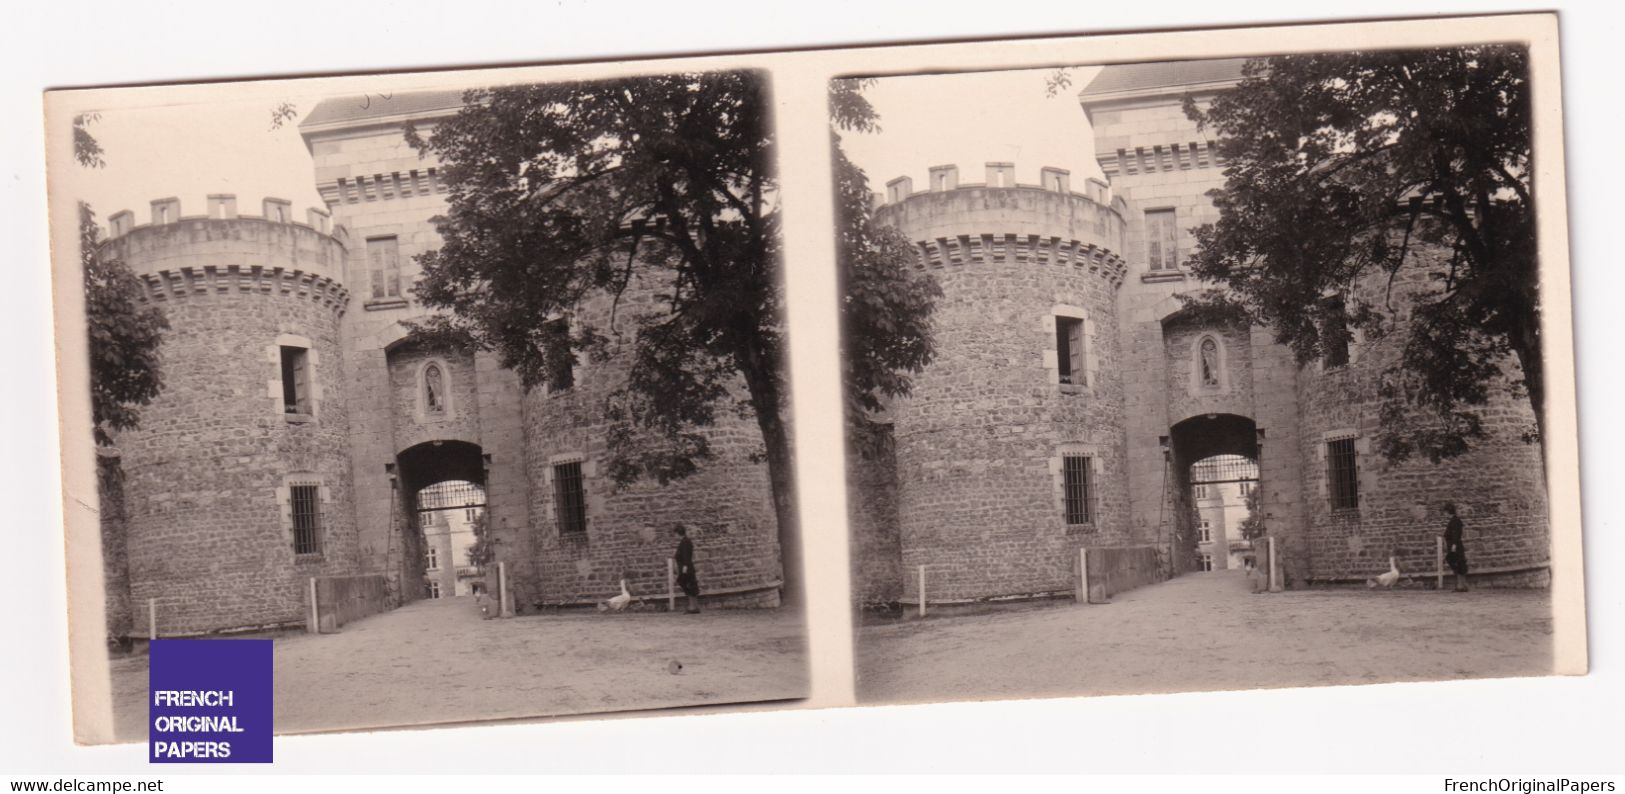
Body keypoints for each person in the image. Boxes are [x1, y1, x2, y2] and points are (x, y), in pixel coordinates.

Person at [674, 524, 701, 614]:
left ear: (678, 534)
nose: (675, 536)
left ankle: (692, 607)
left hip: (686, 568)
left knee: (686, 584)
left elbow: (686, 556)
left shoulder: (685, 542)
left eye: (675, 534)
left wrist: (685, 568)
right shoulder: (685, 541)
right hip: (687, 567)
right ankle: (694, 606)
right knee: (690, 585)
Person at [1443, 503, 1469, 592]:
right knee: (1459, 564)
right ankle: (1462, 585)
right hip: (1455, 546)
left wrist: (1454, 546)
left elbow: (1455, 535)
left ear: (1447, 512)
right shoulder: (1455, 520)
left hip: (1455, 546)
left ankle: (1460, 586)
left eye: (1445, 512)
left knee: (1457, 565)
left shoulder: (1454, 521)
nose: (1444, 515)